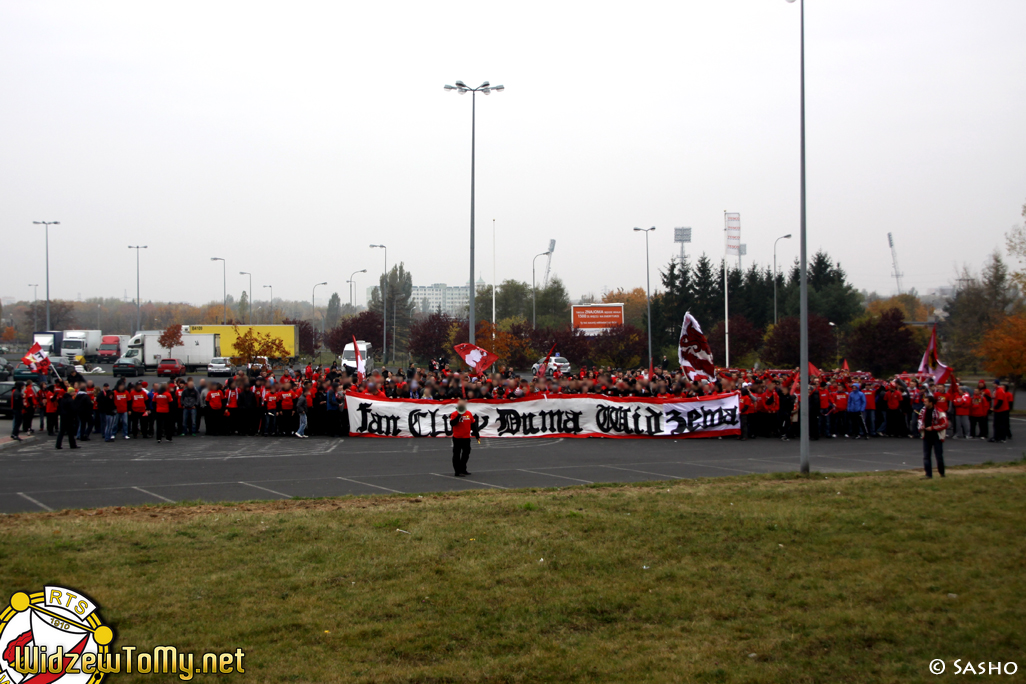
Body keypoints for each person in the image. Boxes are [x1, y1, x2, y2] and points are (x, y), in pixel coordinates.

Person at [918, 394, 947, 478]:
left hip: (936, 436)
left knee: (939, 456)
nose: (924, 403)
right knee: (926, 456)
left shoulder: (939, 411)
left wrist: (933, 428)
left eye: (926, 401)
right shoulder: (923, 411)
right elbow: (919, 420)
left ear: (931, 402)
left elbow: (944, 424)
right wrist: (922, 426)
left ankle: (942, 473)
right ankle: (928, 474)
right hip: (926, 436)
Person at [449, 397, 480, 476]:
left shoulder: (469, 414)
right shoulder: (454, 414)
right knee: (456, 454)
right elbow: (452, 423)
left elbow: (473, 425)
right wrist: (458, 416)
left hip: (466, 437)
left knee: (466, 453)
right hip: (457, 438)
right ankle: (457, 471)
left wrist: (477, 435)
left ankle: (463, 468)